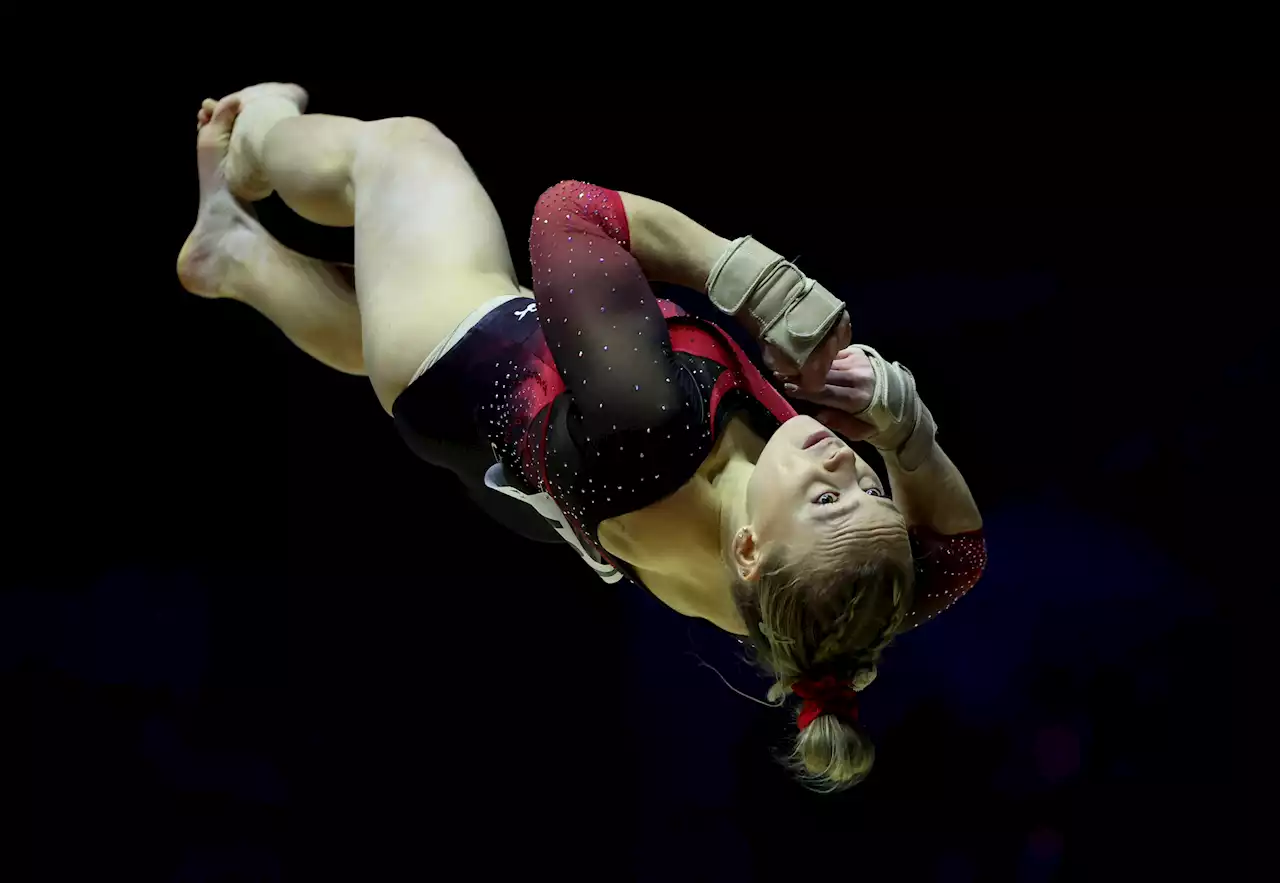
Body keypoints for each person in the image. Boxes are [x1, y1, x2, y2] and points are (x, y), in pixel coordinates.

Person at [178, 84, 986, 791]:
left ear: (747, 550)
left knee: (401, 152)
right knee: (379, 306)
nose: (846, 461)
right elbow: (956, 557)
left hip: (462, 346)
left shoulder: (653, 426)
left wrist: (764, 286)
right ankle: (231, 255)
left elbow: (571, 209)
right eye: (867, 488)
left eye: (823, 496)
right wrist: (901, 424)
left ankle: (254, 139)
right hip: (489, 448)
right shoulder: (813, 619)